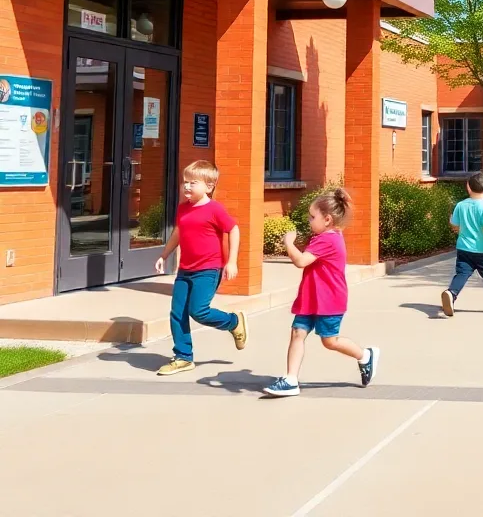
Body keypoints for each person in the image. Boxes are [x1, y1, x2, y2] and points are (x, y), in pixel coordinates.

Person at [263, 188, 380, 397]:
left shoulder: (328, 239)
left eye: (312, 217)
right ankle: (290, 379)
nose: (309, 220)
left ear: (327, 219)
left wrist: (288, 243)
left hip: (329, 300)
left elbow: (301, 261)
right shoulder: (326, 236)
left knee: (330, 341)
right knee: (297, 332)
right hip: (311, 297)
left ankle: (365, 356)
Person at [153, 160, 247, 376]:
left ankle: (233, 322)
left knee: (199, 311)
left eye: (193, 183)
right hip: (185, 270)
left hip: (208, 269)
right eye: (185, 182)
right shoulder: (183, 208)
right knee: (177, 313)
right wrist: (164, 255)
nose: (186, 186)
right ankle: (183, 357)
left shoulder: (214, 209)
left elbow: (233, 229)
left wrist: (232, 261)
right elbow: (179, 232)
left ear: (209, 186)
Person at [440, 172, 483, 316]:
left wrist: (453, 223)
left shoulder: (460, 205)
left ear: (468, 187)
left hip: (464, 249)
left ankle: (452, 293)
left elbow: (455, 226)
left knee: (462, 274)